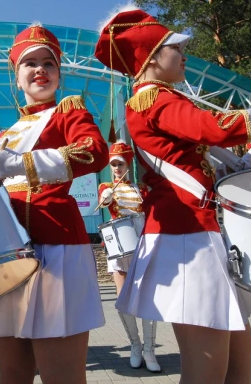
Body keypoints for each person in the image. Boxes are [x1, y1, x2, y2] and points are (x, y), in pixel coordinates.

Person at [94, 5, 251, 384]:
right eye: (175, 48)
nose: (185, 56)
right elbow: (217, 127)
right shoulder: (153, 100)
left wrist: (247, 163)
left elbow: (200, 165)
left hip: (201, 235)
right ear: (152, 57)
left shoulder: (164, 100)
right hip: (184, 241)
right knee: (206, 371)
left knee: (238, 360)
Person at [0, 22, 108, 384]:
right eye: (29, 64)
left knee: (61, 375)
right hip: (9, 256)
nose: (40, 70)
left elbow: (93, 152)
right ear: (17, 78)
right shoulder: (6, 136)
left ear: (59, 74)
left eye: (48, 63)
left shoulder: (68, 111)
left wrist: (22, 164)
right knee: (12, 373)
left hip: (58, 249)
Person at [98, 141, 161, 372]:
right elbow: (103, 204)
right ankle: (135, 345)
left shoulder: (140, 189)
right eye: (113, 164)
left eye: (120, 164)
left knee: (147, 298)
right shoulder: (105, 185)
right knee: (122, 297)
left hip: (142, 244)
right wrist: (106, 196)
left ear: (127, 165)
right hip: (119, 246)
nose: (115, 168)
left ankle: (150, 350)